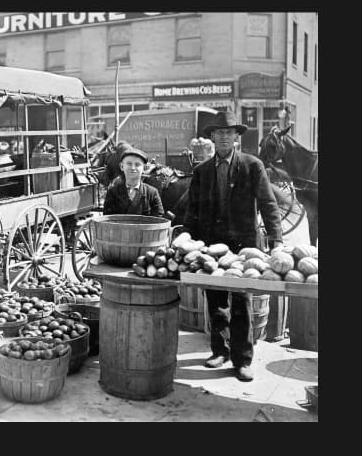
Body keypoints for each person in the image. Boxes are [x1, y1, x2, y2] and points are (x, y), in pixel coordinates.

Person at [182, 110, 284, 382]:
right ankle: (220, 350)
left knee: (241, 300)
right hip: (211, 245)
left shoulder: (252, 165)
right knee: (215, 299)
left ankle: (243, 359)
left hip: (244, 246)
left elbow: (268, 204)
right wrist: (187, 241)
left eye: (229, 132)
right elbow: (191, 210)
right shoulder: (202, 171)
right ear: (212, 137)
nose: (224, 137)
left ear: (237, 137)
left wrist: (277, 241)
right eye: (219, 132)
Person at [103, 147, 164, 217]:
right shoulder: (113, 192)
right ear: (122, 166)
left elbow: (159, 219)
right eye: (129, 164)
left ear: (144, 168)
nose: (133, 168)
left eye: (137, 164)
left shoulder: (152, 193)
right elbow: (107, 219)